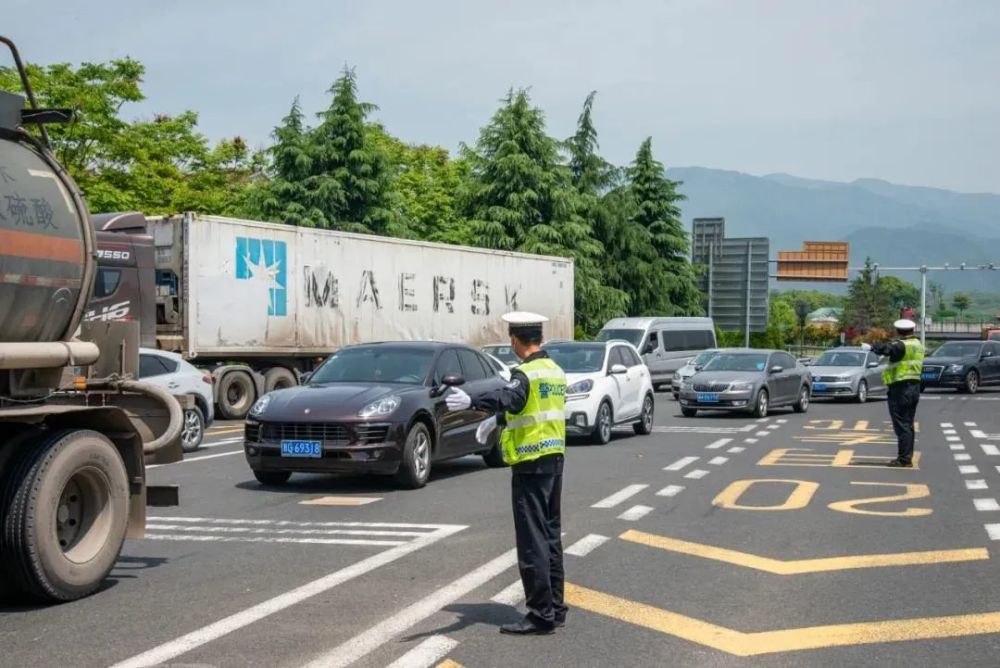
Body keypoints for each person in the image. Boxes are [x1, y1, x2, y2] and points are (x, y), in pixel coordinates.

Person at [445, 312, 567, 635]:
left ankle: (540, 614)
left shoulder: (525, 374)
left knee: (532, 541)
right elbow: (526, 408)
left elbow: (509, 396)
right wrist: (497, 421)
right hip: (554, 460)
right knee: (551, 536)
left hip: (530, 463)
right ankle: (555, 606)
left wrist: (472, 399)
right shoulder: (554, 371)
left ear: (515, 340)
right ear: (538, 338)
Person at [865, 319, 925, 468]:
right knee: (908, 423)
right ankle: (906, 456)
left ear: (898, 331)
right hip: (914, 387)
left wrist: (871, 347)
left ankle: (904, 459)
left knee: (901, 424)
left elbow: (887, 349)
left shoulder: (901, 345)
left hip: (900, 388)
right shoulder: (918, 344)